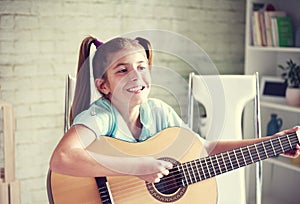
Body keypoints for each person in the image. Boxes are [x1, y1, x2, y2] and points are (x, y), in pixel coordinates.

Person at [50, 35, 300, 184]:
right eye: (122, 70)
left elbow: (202, 149)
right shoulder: (101, 115)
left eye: (141, 66)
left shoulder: (159, 111)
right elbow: (62, 158)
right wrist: (135, 167)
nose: (135, 76)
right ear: (103, 86)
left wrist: (270, 143)